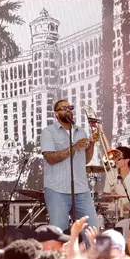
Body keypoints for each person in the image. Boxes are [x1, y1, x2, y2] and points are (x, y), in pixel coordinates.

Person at [40, 99, 99, 231]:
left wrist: (92, 142)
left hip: (81, 189)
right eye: (64, 108)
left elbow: (85, 160)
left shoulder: (80, 131)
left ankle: (89, 252)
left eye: (70, 108)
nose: (68, 110)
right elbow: (50, 158)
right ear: (56, 114)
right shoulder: (48, 132)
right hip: (57, 189)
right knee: (58, 231)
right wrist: (74, 147)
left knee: (92, 230)